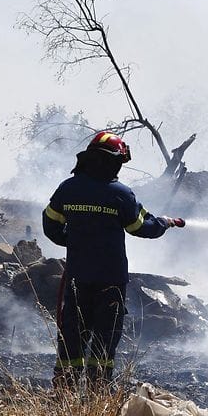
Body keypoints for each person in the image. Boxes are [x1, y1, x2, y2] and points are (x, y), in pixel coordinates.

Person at [42, 131, 185, 389]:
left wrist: (75, 241)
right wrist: (164, 222)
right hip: (110, 281)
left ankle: (65, 392)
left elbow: (50, 226)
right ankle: (98, 393)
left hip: (77, 278)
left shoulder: (68, 188)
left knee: (73, 334)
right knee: (104, 338)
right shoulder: (120, 194)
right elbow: (141, 227)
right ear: (115, 163)